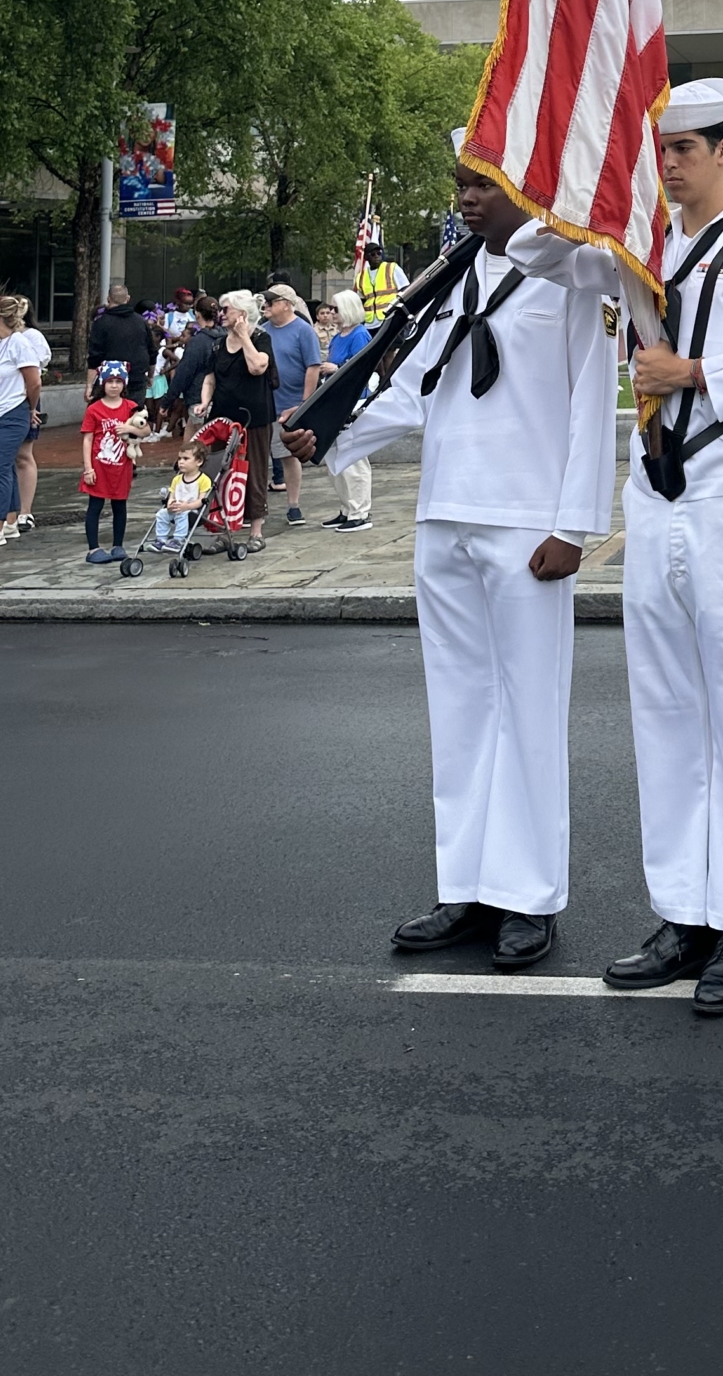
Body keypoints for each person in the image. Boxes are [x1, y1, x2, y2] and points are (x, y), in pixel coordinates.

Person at [507, 79, 723, 1017]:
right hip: (654, 496)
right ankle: (683, 914)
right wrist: (591, 194)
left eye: (684, 149)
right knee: (666, 713)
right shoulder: (634, 245)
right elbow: (529, 250)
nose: (669, 164)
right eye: (659, 150)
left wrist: (695, 372)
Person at [282, 142, 618, 971]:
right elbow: (413, 390)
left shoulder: (571, 274)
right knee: (462, 709)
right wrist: (330, 435)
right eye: (461, 186)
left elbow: (591, 399)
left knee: (529, 710)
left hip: (526, 520)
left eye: (483, 186)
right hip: (446, 513)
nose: (467, 199)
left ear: (524, 190)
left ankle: (528, 895)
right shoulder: (451, 277)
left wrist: (575, 525)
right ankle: (466, 885)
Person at [197, 291, 277, 548]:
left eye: (226, 309)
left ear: (241, 313)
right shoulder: (218, 344)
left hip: (254, 418)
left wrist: (244, 337)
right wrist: (204, 401)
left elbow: (257, 367)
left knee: (254, 471)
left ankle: (256, 532)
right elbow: (210, 378)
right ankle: (223, 532)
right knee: (222, 472)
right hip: (223, 419)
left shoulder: (261, 338)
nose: (220, 314)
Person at [0, 295, 50, 551]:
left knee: (0, 469)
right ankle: (10, 520)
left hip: (11, 413)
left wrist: (31, 408)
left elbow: (34, 381)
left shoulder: (20, 343)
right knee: (4, 468)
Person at [263, 283, 323, 523]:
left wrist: (305, 402)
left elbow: (313, 367)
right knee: (258, 457)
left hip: (290, 405)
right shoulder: (262, 331)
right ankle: (255, 506)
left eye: (272, 302)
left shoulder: (303, 331)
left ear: (287, 305)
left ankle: (293, 504)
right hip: (266, 404)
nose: (266, 306)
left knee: (288, 456)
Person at [316, 289, 375, 532]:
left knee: (353, 457)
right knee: (336, 456)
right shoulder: (339, 336)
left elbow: (364, 366)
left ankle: (360, 511)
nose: (331, 312)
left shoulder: (359, 334)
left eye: (336, 309)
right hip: (337, 399)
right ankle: (348, 508)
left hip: (353, 401)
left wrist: (336, 367)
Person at [80, 361, 143, 562]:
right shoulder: (94, 409)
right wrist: (88, 468)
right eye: (110, 381)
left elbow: (146, 429)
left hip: (121, 467)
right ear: (103, 383)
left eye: (118, 381)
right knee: (95, 505)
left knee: (120, 505)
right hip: (99, 467)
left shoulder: (131, 407)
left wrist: (130, 429)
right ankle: (93, 549)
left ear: (124, 383)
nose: (114, 386)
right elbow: (88, 439)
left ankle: (118, 545)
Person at [1, 296, 53, 530]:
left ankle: (25, 511)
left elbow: (38, 366)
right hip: (3, 400)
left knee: (23, 454)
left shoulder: (32, 336)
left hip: (23, 398)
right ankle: (4, 510)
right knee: (3, 459)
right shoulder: (1, 339)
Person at [86, 281, 153, 401]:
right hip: (136, 379)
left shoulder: (101, 323)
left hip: (109, 381)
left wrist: (89, 386)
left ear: (108, 299)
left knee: (107, 412)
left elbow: (94, 357)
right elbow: (152, 351)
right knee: (134, 412)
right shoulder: (141, 322)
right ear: (128, 298)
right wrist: (150, 376)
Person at [168, 295, 221, 435]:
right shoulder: (226, 336)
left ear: (197, 315)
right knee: (192, 435)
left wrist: (168, 400)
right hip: (220, 395)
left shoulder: (197, 342)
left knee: (203, 440)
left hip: (198, 397)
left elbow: (184, 373)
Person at [152, 442, 210, 553]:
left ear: (199, 461)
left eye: (186, 459)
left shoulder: (204, 480)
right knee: (161, 514)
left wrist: (187, 506)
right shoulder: (177, 479)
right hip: (176, 508)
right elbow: (172, 496)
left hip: (192, 511)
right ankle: (161, 540)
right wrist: (170, 505)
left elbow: (201, 501)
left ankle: (178, 540)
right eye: (179, 458)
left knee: (182, 514)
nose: (181, 462)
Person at [358, 241, 408, 330]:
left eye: (379, 253)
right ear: (366, 257)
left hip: (389, 319)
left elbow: (406, 290)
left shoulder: (392, 268)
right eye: (373, 254)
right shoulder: (361, 276)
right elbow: (361, 301)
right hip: (369, 323)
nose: (376, 256)